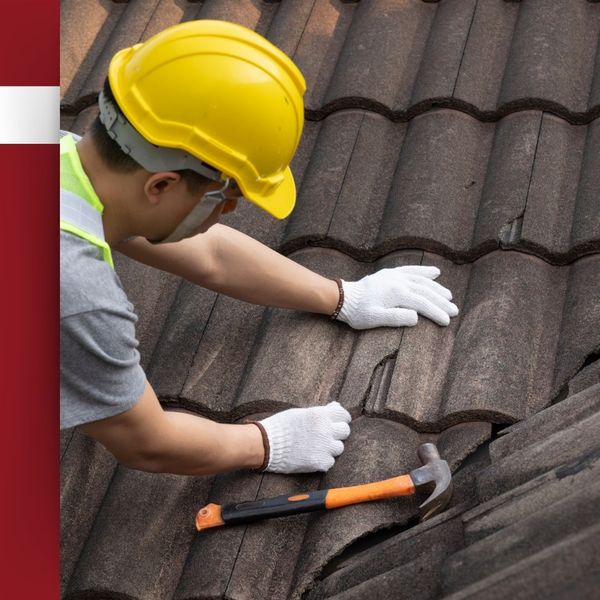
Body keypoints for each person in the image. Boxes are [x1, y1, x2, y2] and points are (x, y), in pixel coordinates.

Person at [60, 20, 458, 477]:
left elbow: (211, 255)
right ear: (162, 184)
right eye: (224, 200)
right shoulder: (77, 291)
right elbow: (146, 441)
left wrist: (343, 296)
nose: (224, 214)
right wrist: (265, 442)